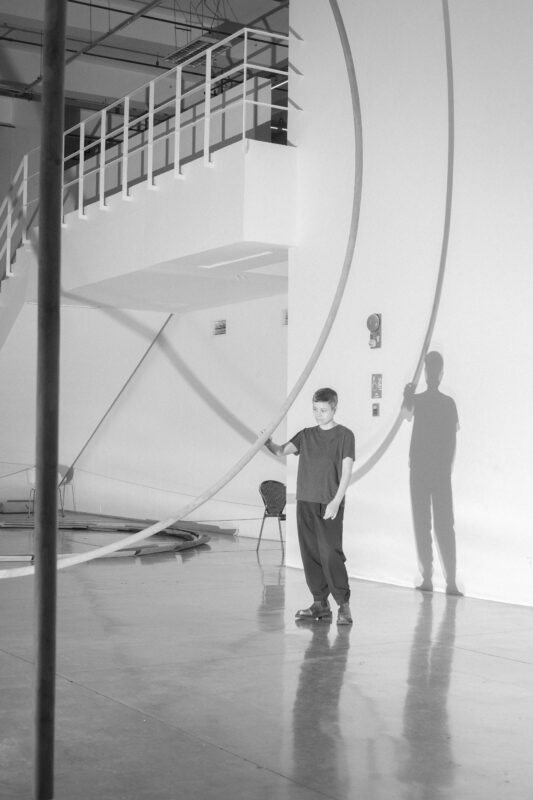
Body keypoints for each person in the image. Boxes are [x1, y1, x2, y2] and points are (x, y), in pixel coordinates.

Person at [264, 388, 355, 624]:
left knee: (330, 554)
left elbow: (346, 472)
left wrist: (336, 501)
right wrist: (267, 442)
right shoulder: (306, 435)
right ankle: (319, 604)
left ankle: (343, 606)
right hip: (305, 501)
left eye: (323, 410)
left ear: (334, 408)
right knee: (310, 553)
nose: (318, 414)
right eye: (315, 409)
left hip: (328, 503)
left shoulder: (345, 436)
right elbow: (281, 450)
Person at [402, 351, 462, 595]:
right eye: (430, 369)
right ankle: (436, 578)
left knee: (437, 524)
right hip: (426, 469)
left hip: (430, 469)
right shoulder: (432, 401)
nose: (432, 374)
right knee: (431, 523)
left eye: (432, 369)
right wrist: (408, 395)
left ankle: (446, 580)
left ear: (436, 373)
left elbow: (452, 437)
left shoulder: (440, 402)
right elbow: (406, 416)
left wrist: (408, 395)